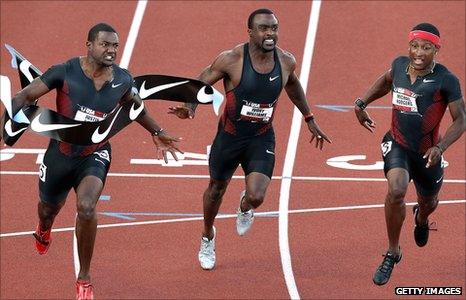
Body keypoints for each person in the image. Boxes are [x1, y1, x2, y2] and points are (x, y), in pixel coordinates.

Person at [4, 23, 182, 299]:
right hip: (60, 154)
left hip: (94, 154)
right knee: (48, 209)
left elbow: (135, 107)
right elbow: (24, 96)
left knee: (86, 207)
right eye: (105, 45)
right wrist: (5, 129)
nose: (111, 50)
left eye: (115, 46)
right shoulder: (64, 71)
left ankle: (84, 277)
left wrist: (157, 132)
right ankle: (44, 228)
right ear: (89, 45)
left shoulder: (123, 79)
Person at [169, 8, 331, 270]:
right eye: (264, 28)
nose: (270, 34)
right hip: (229, 138)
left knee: (257, 196)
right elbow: (202, 80)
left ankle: (245, 205)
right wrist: (190, 106)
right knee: (216, 191)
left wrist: (309, 117)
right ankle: (207, 235)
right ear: (251, 32)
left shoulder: (286, 61)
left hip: (261, 138)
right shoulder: (232, 59)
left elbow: (292, 85)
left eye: (274, 28)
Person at [354, 23, 466, 285]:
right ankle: (393, 252)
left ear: (436, 50)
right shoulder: (399, 65)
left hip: (428, 153)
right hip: (397, 144)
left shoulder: (446, 80)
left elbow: (460, 119)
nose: (418, 52)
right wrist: (362, 102)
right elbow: (385, 81)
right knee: (396, 189)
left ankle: (422, 218)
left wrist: (440, 148)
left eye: (426, 47)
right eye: (414, 46)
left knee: (429, 202)